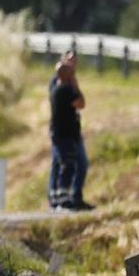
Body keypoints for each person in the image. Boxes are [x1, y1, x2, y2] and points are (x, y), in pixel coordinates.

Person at [48, 53, 93, 211]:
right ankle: (61, 200)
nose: (72, 66)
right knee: (64, 164)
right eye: (69, 62)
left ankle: (70, 199)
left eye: (74, 62)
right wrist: (75, 87)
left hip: (70, 131)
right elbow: (80, 103)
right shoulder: (62, 85)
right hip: (63, 132)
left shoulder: (65, 85)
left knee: (70, 164)